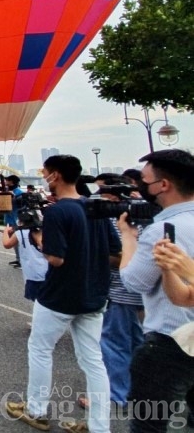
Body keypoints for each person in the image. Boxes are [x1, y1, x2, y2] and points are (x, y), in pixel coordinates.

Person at [4, 155, 113, 433]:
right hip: (94, 295)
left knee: (40, 349)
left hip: (59, 296)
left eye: (46, 173)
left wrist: (39, 239)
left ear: (55, 176)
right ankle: (99, 427)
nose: (44, 178)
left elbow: (55, 259)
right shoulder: (95, 208)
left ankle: (37, 410)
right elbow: (115, 252)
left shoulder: (56, 212)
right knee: (93, 360)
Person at [117, 149, 194, 433]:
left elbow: (135, 282)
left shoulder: (161, 229)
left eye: (144, 181)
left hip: (169, 344)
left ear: (163, 185)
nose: (140, 187)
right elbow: (182, 295)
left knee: (150, 424)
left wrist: (127, 237)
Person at [86, 173, 144, 415]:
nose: (97, 198)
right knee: (136, 341)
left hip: (122, 290)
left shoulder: (122, 220)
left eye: (101, 192)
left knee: (113, 343)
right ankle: (138, 388)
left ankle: (114, 394)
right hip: (141, 292)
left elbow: (120, 255)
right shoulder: (146, 213)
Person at [0, 224, 47, 304]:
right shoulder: (46, 230)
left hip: (32, 275)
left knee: (39, 302)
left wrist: (6, 231)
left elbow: (7, 244)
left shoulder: (21, 232)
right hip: (47, 272)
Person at [0, 173, 24, 267]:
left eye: (7, 180)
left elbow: (21, 205)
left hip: (16, 220)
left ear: (11, 182)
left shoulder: (19, 192)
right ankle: (18, 259)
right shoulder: (7, 190)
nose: (5, 182)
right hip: (8, 219)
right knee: (13, 241)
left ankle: (22, 260)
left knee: (18, 241)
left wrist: (14, 197)